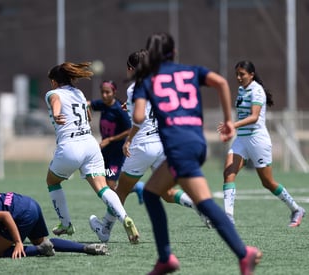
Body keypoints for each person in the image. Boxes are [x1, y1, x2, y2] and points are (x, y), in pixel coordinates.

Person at [132, 32, 262, 275]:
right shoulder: (192, 71)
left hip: (179, 147)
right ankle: (165, 258)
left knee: (204, 203)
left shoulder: (147, 80)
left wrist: (142, 90)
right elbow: (222, 83)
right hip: (195, 142)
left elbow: (138, 117)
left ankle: (244, 254)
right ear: (174, 52)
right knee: (150, 193)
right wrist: (228, 121)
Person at [89, 50, 211, 243]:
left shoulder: (133, 88)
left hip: (143, 146)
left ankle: (105, 229)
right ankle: (198, 205)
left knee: (120, 191)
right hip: (162, 144)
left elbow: (140, 118)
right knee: (167, 192)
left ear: (130, 69)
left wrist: (128, 140)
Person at [45, 62, 139, 244]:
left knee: (52, 181)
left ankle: (66, 224)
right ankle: (124, 217)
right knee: (103, 188)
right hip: (90, 144)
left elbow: (56, 102)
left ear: (55, 81)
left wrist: (57, 114)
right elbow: (87, 115)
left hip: (70, 146)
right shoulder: (78, 93)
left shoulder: (53, 93)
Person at [220, 60, 306, 227]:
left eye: (242, 74)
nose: (238, 77)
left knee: (267, 182)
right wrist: (232, 129)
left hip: (257, 140)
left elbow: (254, 117)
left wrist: (232, 125)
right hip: (241, 140)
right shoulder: (240, 89)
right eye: (237, 74)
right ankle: (228, 217)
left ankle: (296, 209)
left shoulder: (257, 91)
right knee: (228, 173)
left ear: (251, 75)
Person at [88, 80, 131, 190]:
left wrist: (110, 139)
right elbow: (87, 104)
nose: (104, 95)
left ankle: (113, 206)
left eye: (107, 92)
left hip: (117, 152)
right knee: (102, 181)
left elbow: (129, 130)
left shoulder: (120, 110)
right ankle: (136, 188)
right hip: (105, 150)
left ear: (114, 92)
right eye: (102, 92)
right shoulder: (102, 104)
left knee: (110, 183)